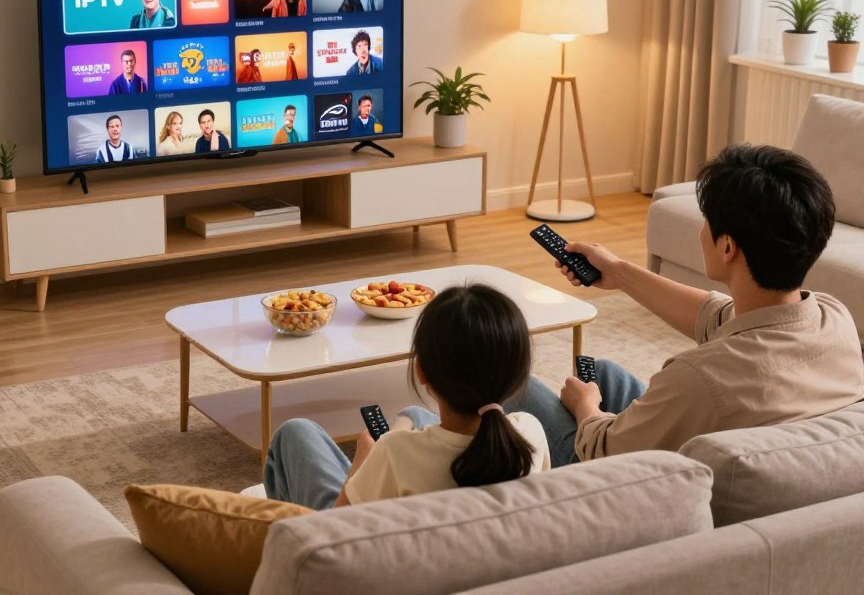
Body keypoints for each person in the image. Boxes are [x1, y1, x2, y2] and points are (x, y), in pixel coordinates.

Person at [515, 143, 864, 469]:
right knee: (603, 373)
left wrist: (586, 408)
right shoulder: (834, 318)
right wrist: (619, 273)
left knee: (511, 381)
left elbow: (603, 450)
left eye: (706, 222)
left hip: (627, 479)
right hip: (744, 439)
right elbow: (717, 316)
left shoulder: (701, 377)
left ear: (727, 248)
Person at [263, 284, 550, 510]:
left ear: (421, 370)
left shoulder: (394, 454)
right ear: (517, 373)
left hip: (364, 546)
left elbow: (337, 530)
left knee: (294, 433)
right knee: (413, 414)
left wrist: (363, 460)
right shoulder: (529, 433)